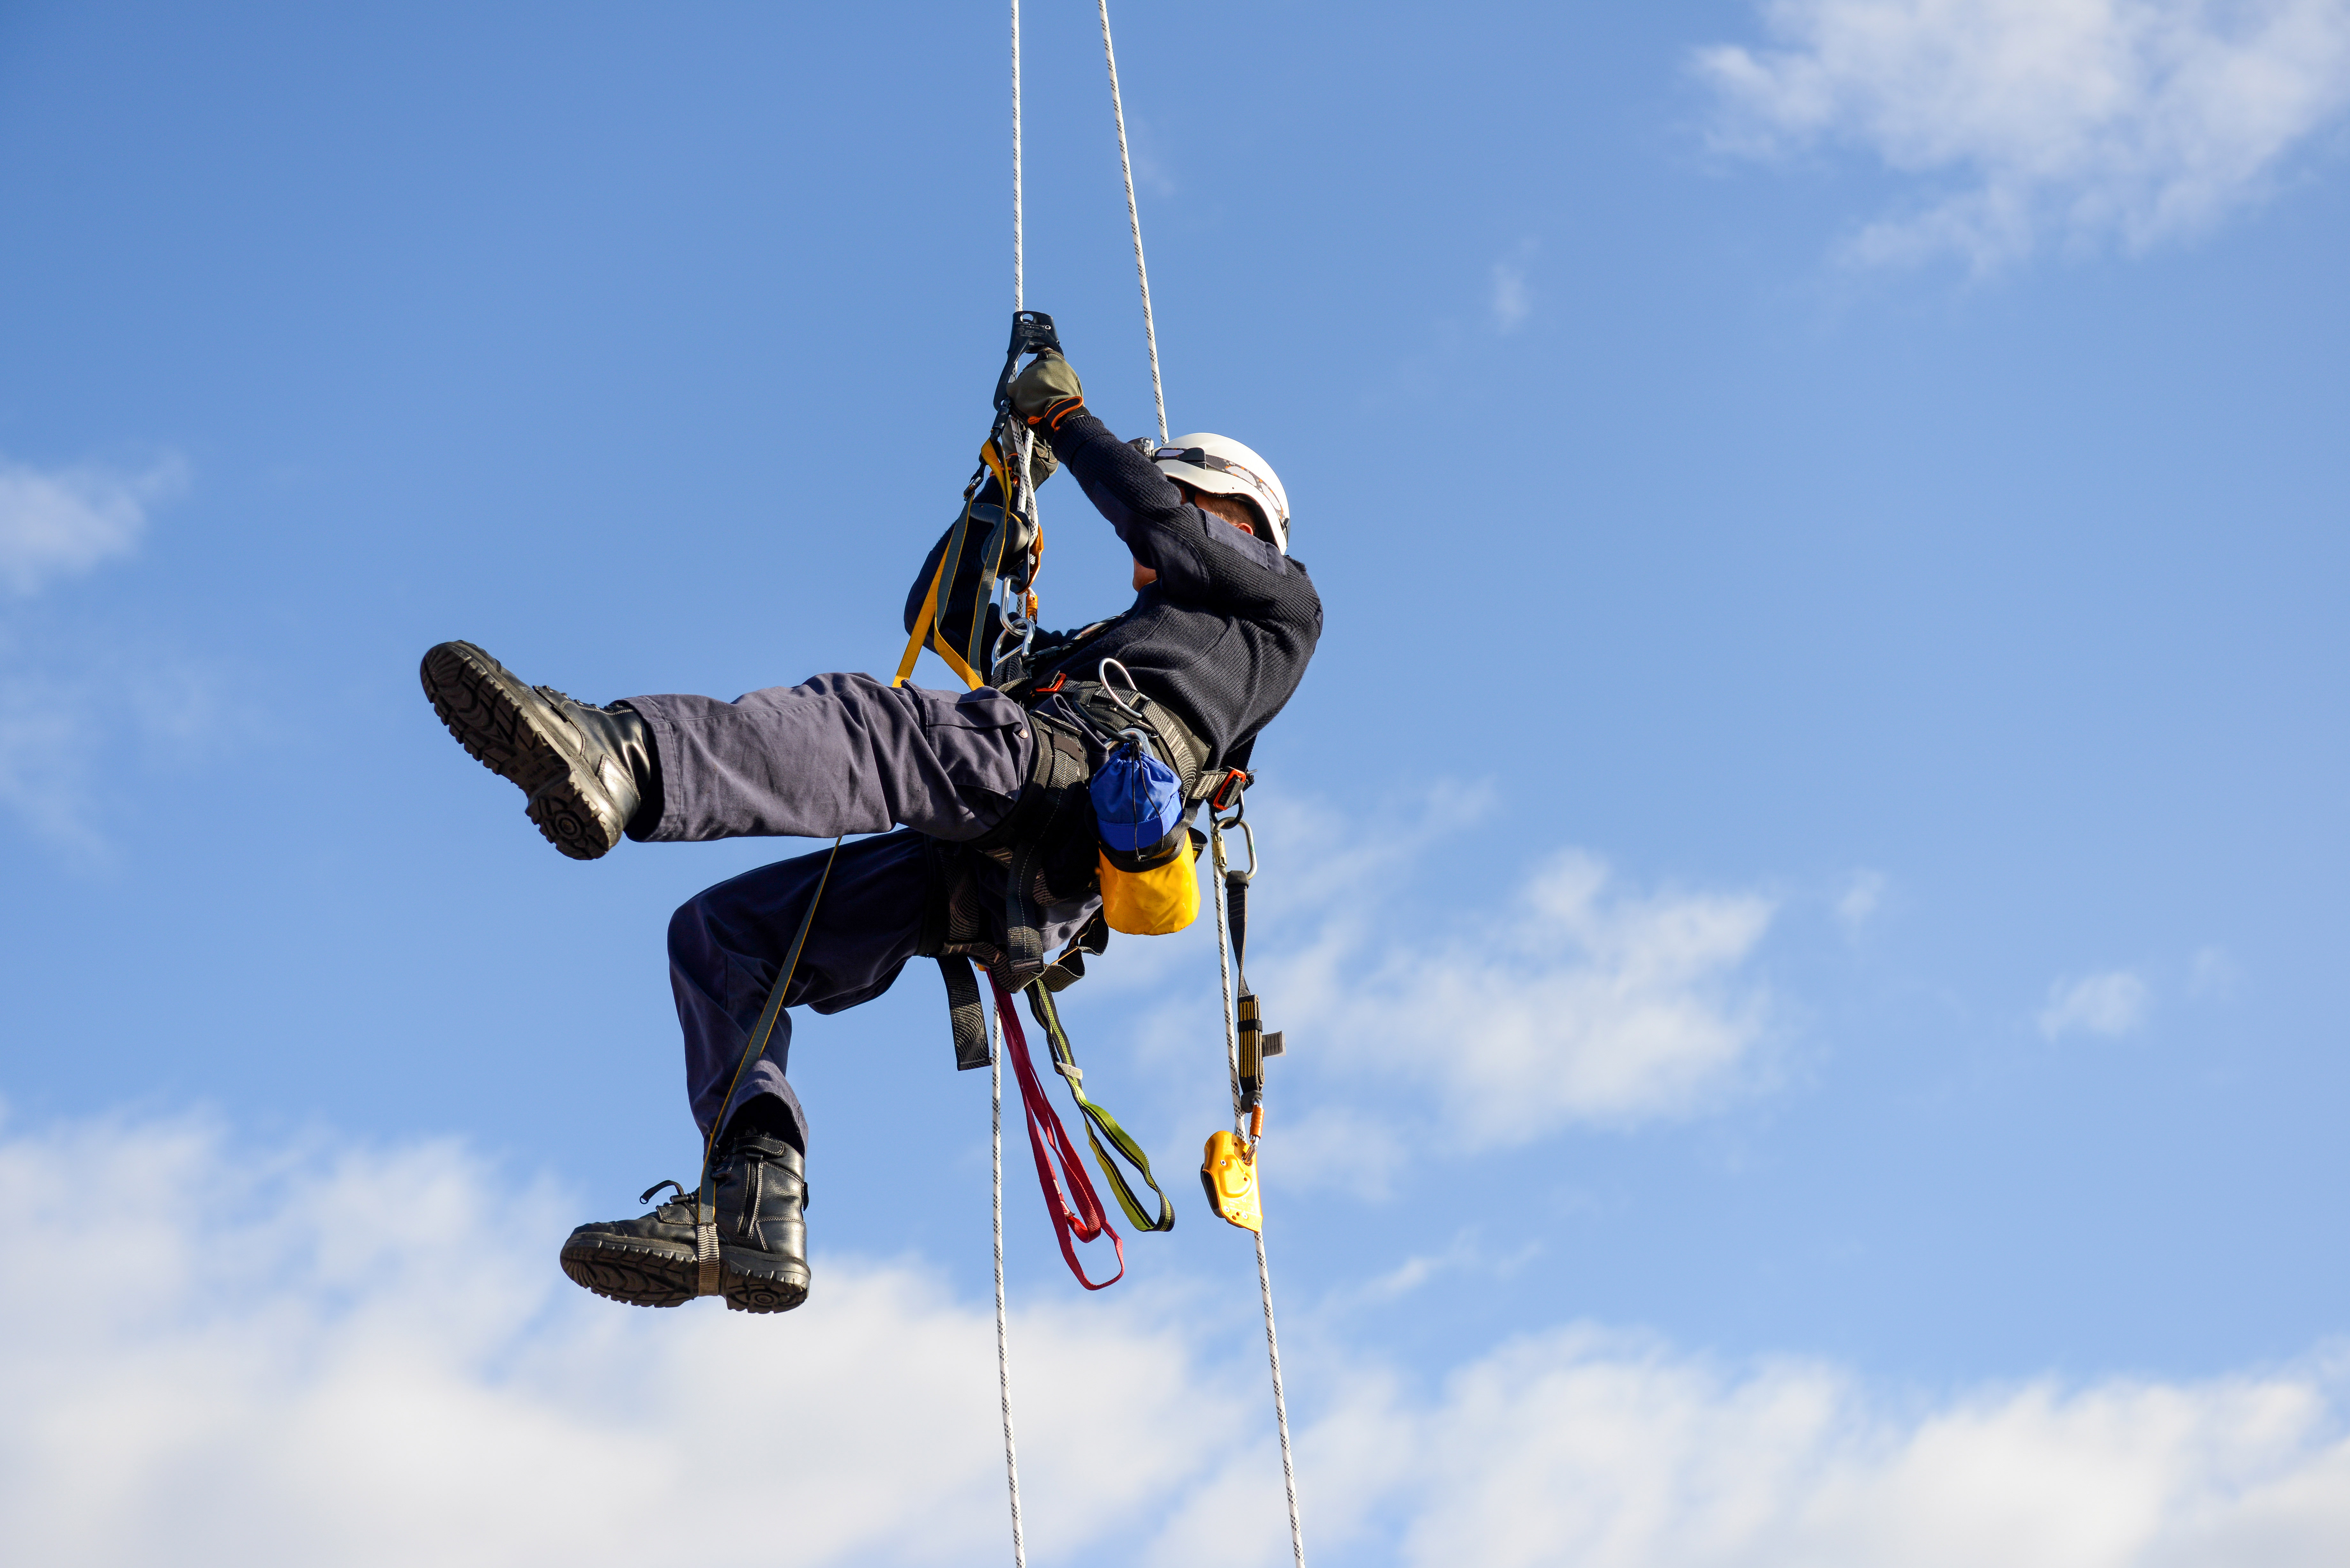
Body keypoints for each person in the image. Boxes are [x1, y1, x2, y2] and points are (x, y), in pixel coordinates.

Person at [418, 349, 1321, 1314]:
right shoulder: (1116, 645)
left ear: (1239, 520)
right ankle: (752, 1204)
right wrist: (1006, 491)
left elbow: (1159, 521)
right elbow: (946, 618)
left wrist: (1067, 420)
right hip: (1008, 849)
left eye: (1180, 500)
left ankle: (627, 758)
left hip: (1064, 784)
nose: (1149, 534)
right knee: (724, 937)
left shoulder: (1280, 610)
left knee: (871, 726)